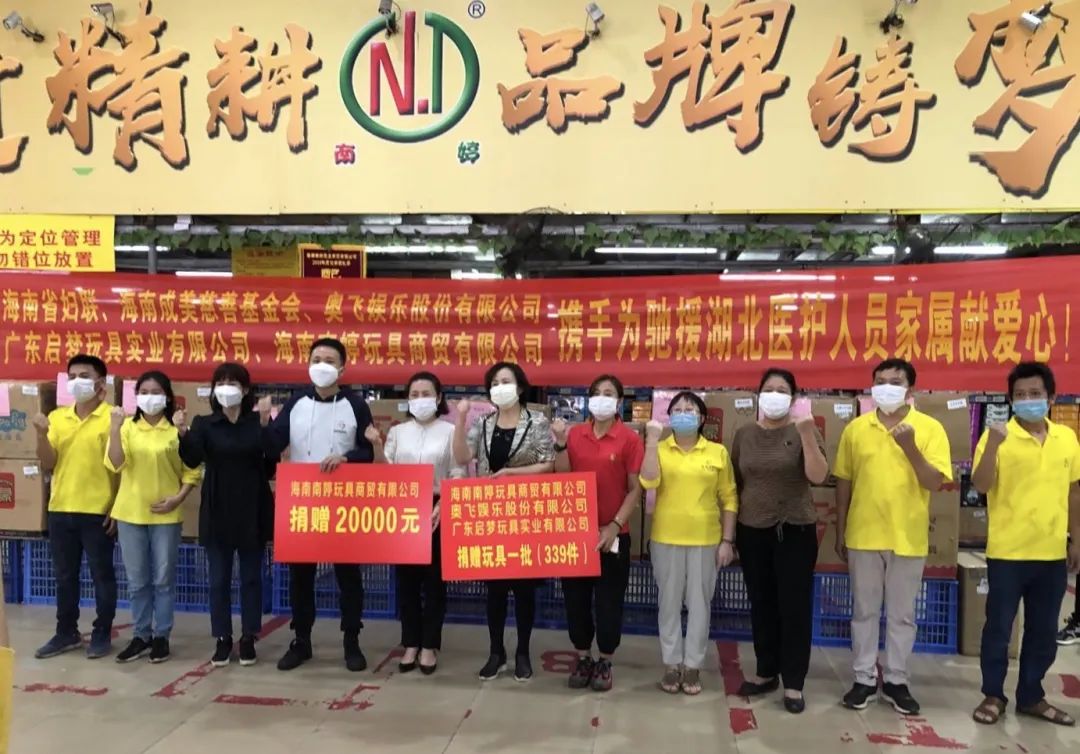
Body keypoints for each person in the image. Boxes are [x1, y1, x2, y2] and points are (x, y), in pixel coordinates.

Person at [834, 358, 952, 716]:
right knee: (864, 612)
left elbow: (936, 482)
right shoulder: (857, 428)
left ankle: (897, 680)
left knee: (902, 615)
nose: (887, 387)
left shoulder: (930, 428)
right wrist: (841, 529)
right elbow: (844, 481)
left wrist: (910, 447)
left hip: (907, 536)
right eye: (880, 381)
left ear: (910, 389)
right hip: (863, 533)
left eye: (895, 381)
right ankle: (864, 678)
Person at [971, 362, 1080, 727]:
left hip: (1051, 552)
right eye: (1020, 395)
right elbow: (981, 485)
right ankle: (993, 694)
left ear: (1051, 398)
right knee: (999, 628)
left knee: (1044, 631)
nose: (1027, 400)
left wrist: (1075, 539)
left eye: (1035, 394)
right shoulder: (996, 437)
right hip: (1007, 552)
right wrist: (993, 445)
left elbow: (1073, 490)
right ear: (1011, 400)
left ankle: (1032, 696)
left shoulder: (1066, 438)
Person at [264, 338, 376, 673]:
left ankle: (352, 640)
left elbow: (367, 451)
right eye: (316, 359)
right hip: (303, 500)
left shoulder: (355, 404)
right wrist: (263, 422)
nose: (322, 365)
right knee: (301, 576)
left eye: (329, 360)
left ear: (342, 368)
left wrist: (346, 457)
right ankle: (301, 640)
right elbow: (273, 444)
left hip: (344, 502)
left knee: (348, 575)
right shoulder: (296, 402)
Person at [731, 369, 828, 714]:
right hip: (752, 529)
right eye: (768, 389)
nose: (774, 395)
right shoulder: (743, 434)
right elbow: (736, 480)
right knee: (761, 603)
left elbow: (819, 476)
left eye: (782, 390)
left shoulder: (804, 429)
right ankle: (766, 671)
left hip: (795, 530)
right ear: (759, 395)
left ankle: (794, 682)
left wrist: (806, 435)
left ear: (793, 397)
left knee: (794, 607)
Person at [453, 361, 554, 683]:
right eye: (494, 383)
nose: (499, 387)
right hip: (491, 516)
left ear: (520, 388)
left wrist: (512, 473)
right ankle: (496, 652)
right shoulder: (483, 423)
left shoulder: (537, 422)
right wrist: (460, 419)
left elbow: (548, 464)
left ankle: (523, 652)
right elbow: (462, 457)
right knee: (494, 590)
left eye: (505, 381)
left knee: (524, 590)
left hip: (525, 515)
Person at [178, 362, 275, 668]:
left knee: (251, 579)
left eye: (232, 383)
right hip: (217, 506)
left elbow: (270, 464)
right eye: (220, 383)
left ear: (245, 390)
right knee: (218, 580)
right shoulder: (205, 423)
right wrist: (183, 433)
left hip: (252, 506)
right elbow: (192, 458)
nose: (225, 389)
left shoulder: (256, 421)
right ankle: (222, 637)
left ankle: (248, 637)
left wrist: (265, 425)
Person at [641, 391, 738, 697]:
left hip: (706, 540)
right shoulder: (660, 449)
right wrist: (651, 442)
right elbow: (648, 481)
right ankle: (671, 664)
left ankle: (693, 664)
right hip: (665, 538)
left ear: (701, 417)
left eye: (690, 409)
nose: (684, 414)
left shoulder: (717, 452)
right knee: (668, 603)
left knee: (699, 604)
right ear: (669, 417)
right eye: (678, 410)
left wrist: (727, 541)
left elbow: (729, 498)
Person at [552, 374, 643, 693]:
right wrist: (560, 444)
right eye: (596, 393)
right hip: (576, 534)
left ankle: (605, 660)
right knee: (575, 601)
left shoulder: (629, 439)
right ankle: (583, 657)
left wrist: (614, 525)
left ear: (619, 401)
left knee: (609, 603)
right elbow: (563, 478)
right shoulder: (575, 434)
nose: (602, 398)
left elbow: (635, 489)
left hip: (614, 534)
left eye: (609, 393)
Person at [371, 371, 463, 675]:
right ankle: (410, 642)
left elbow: (458, 472)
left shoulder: (450, 431)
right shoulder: (399, 432)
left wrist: (444, 503)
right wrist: (376, 446)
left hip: (437, 508)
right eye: (414, 394)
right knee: (407, 582)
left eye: (426, 394)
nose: (420, 399)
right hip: (404, 509)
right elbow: (384, 470)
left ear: (439, 398)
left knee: (434, 582)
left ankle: (429, 645)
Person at [107, 371, 201, 664]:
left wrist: (178, 498)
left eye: (156, 392)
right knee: (137, 581)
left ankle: (161, 636)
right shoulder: (127, 428)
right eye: (144, 392)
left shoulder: (176, 429)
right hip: (130, 513)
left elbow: (192, 470)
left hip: (166, 515)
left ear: (168, 397)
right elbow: (116, 463)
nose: (150, 397)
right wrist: (114, 429)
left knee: (162, 580)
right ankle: (141, 635)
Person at [33, 354, 118, 660]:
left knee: (101, 576)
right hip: (61, 509)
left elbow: (120, 468)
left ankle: (101, 632)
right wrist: (41, 434)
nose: (77, 381)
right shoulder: (57, 418)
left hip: (98, 511)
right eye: (72, 377)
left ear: (100, 383)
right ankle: (65, 632)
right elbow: (48, 463)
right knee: (64, 576)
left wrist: (116, 507)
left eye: (84, 375)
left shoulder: (113, 418)